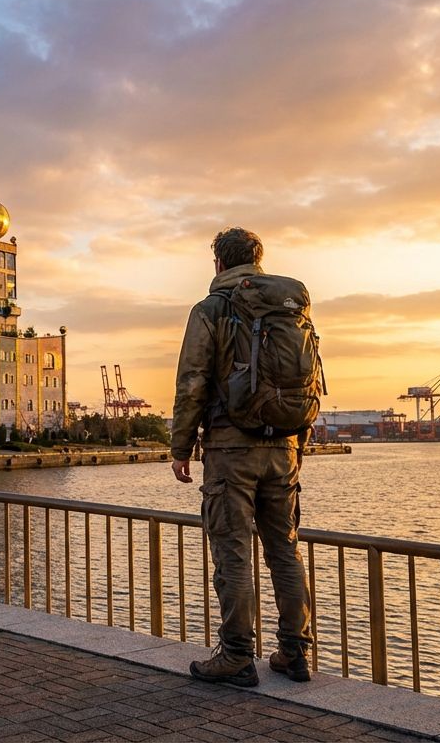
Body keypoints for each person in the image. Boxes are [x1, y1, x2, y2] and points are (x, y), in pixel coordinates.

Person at [170, 226, 313, 686]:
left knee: (232, 553)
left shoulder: (212, 308)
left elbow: (192, 382)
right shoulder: (289, 308)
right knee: (285, 552)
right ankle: (294, 653)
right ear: (259, 260)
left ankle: (236, 655)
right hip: (285, 447)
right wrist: (298, 444)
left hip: (232, 450)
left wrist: (180, 448)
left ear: (218, 265)